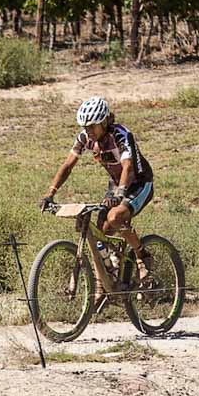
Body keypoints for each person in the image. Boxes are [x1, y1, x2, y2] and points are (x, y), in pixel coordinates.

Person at [44, 96, 153, 268]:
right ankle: (113, 272)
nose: (89, 131)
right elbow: (67, 165)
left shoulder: (121, 135)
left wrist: (120, 194)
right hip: (116, 184)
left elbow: (128, 167)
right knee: (101, 233)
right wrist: (50, 193)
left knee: (114, 217)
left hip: (139, 182)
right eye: (85, 127)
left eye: (92, 126)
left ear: (103, 122)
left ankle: (142, 256)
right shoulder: (85, 138)